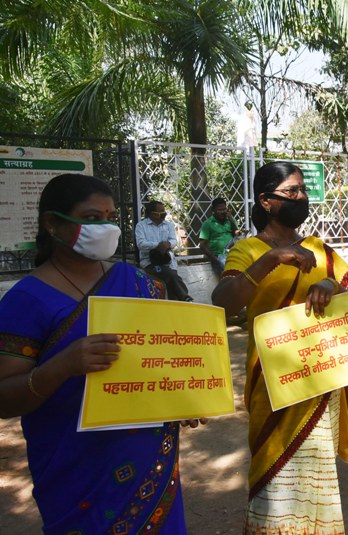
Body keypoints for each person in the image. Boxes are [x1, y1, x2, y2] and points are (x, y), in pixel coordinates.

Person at [0, 173, 201, 533]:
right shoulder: (26, 300)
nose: (105, 227)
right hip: (75, 465)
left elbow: (162, 358)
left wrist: (179, 397)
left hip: (148, 459)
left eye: (110, 217)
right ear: (52, 223)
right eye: (92, 218)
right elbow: (3, 399)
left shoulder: (137, 282)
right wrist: (62, 366)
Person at [211, 161, 348, 535]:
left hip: (320, 373)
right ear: (266, 201)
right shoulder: (248, 250)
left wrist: (331, 286)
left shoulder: (319, 249)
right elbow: (223, 302)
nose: (301, 197)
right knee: (274, 470)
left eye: (303, 190)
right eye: (292, 191)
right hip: (274, 380)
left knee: (316, 469)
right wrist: (270, 260)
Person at [135, 200, 192, 301]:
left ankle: (176, 304)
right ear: (152, 214)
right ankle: (185, 297)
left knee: (170, 280)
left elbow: (174, 240)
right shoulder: (141, 226)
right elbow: (141, 244)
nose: (163, 214)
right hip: (150, 262)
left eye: (164, 212)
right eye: (160, 212)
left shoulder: (168, 225)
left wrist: (168, 244)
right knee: (171, 275)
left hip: (168, 261)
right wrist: (158, 245)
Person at [199, 197, 240, 278]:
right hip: (219, 257)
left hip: (233, 255)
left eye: (224, 209)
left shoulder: (231, 220)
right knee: (230, 279)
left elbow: (237, 236)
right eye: (219, 210)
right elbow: (202, 245)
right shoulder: (208, 224)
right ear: (213, 210)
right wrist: (215, 259)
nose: (222, 212)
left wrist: (231, 220)